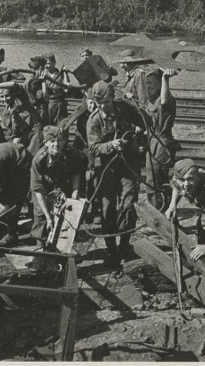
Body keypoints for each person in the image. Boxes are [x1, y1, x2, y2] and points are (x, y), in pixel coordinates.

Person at [86, 80, 146, 268]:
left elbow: (146, 122)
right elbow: (93, 148)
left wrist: (137, 104)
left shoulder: (125, 108)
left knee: (129, 205)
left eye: (106, 102)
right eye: (99, 103)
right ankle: (112, 250)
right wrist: (110, 145)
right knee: (107, 209)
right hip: (107, 170)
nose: (103, 106)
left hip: (128, 165)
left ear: (113, 97)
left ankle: (124, 246)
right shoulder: (94, 120)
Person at [30, 126, 85, 246]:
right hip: (44, 190)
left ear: (65, 140)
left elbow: (76, 173)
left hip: (62, 185)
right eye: (52, 141)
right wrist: (49, 217)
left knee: (66, 216)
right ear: (46, 143)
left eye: (60, 140)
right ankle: (41, 251)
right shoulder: (38, 160)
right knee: (41, 218)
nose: (56, 144)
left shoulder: (72, 153)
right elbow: (38, 191)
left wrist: (75, 193)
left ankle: (64, 250)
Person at [144, 68, 179, 209]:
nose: (148, 86)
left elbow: (164, 101)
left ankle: (157, 214)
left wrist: (166, 78)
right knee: (155, 180)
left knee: (155, 181)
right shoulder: (151, 101)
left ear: (160, 84)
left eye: (151, 83)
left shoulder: (166, 98)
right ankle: (163, 212)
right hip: (153, 142)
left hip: (161, 143)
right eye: (146, 83)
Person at [0, 85, 42, 152]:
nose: (4, 99)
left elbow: (16, 85)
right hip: (19, 138)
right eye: (1, 97)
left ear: (13, 95)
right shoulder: (5, 112)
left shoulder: (24, 105)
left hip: (34, 135)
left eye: (7, 96)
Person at [42, 53, 69, 125]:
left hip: (60, 103)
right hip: (49, 104)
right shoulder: (43, 75)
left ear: (54, 62)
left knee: (62, 126)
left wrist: (65, 73)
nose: (46, 66)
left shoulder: (60, 74)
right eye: (44, 64)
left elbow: (66, 89)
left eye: (48, 63)